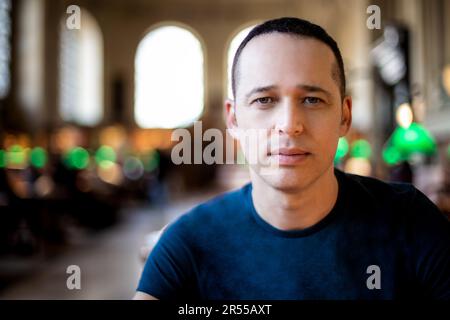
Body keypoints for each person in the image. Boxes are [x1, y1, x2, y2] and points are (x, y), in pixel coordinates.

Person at [134, 17, 450, 300]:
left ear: (344, 115)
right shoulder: (186, 244)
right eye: (264, 99)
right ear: (233, 119)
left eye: (312, 99)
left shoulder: (411, 221)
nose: (289, 124)